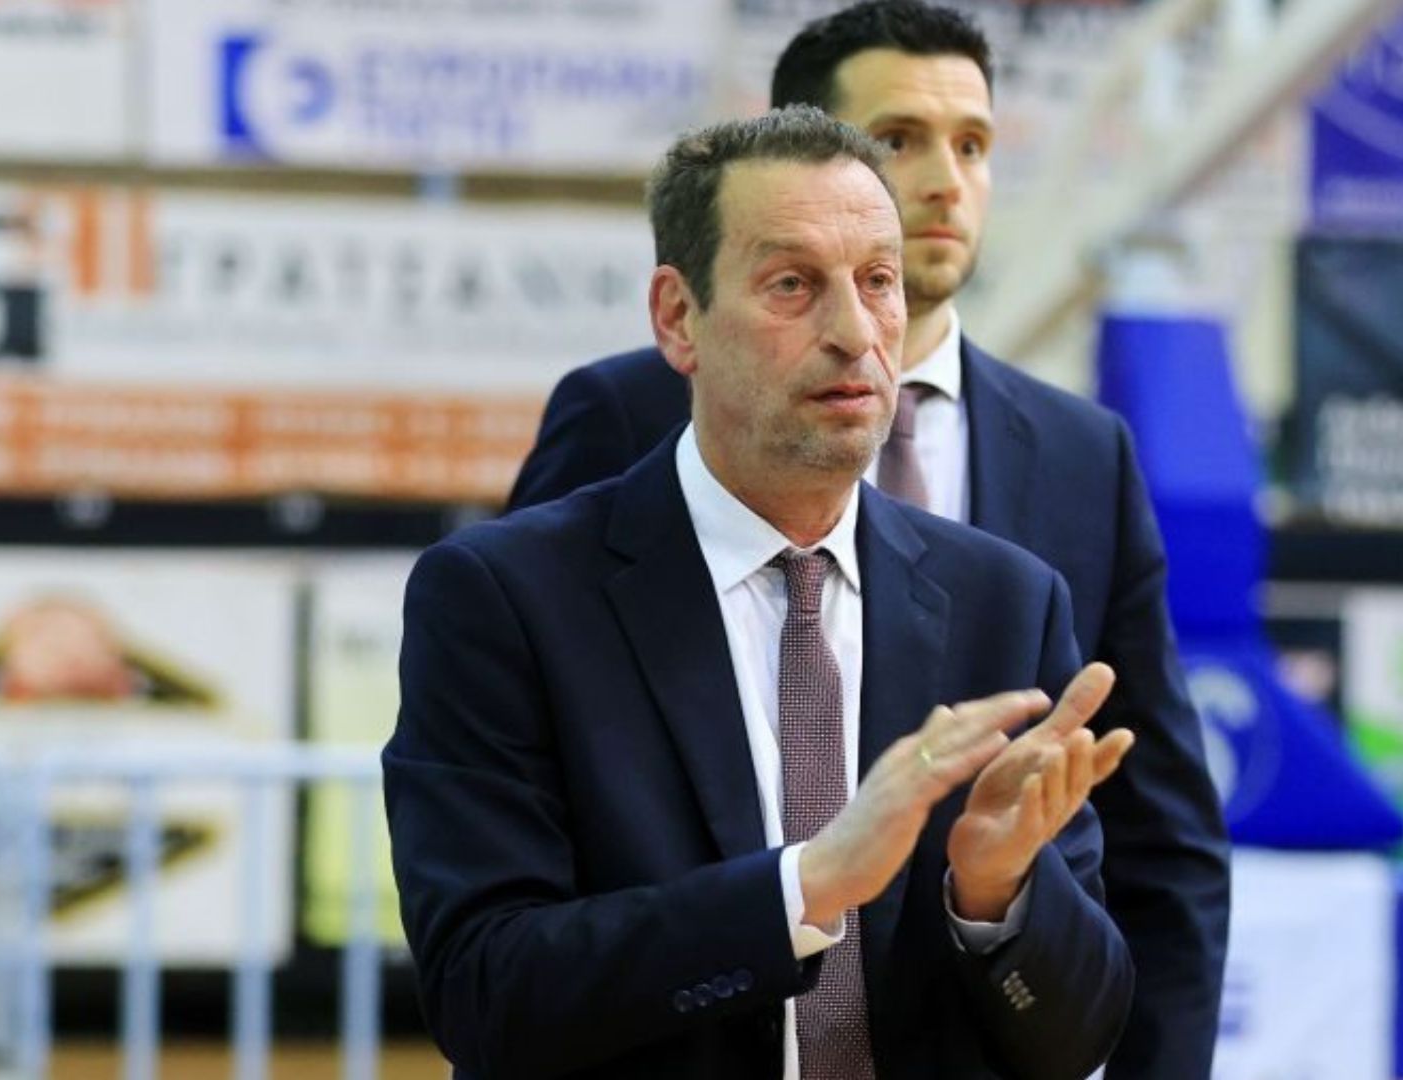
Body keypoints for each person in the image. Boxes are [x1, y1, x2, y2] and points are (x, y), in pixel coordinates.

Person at [505, 4, 1229, 1074]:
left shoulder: (1075, 474)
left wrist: (1002, 899)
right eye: (897, 139)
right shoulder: (620, 426)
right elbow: (531, 825)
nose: (943, 181)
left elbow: (1158, 840)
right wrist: (804, 885)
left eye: (973, 144)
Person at [387, 108, 1137, 1079]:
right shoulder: (507, 598)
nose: (855, 333)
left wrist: (995, 897)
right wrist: (807, 887)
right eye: (793, 285)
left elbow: (1076, 1040)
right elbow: (485, 992)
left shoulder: (1007, 603)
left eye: (878, 282)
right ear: (677, 318)